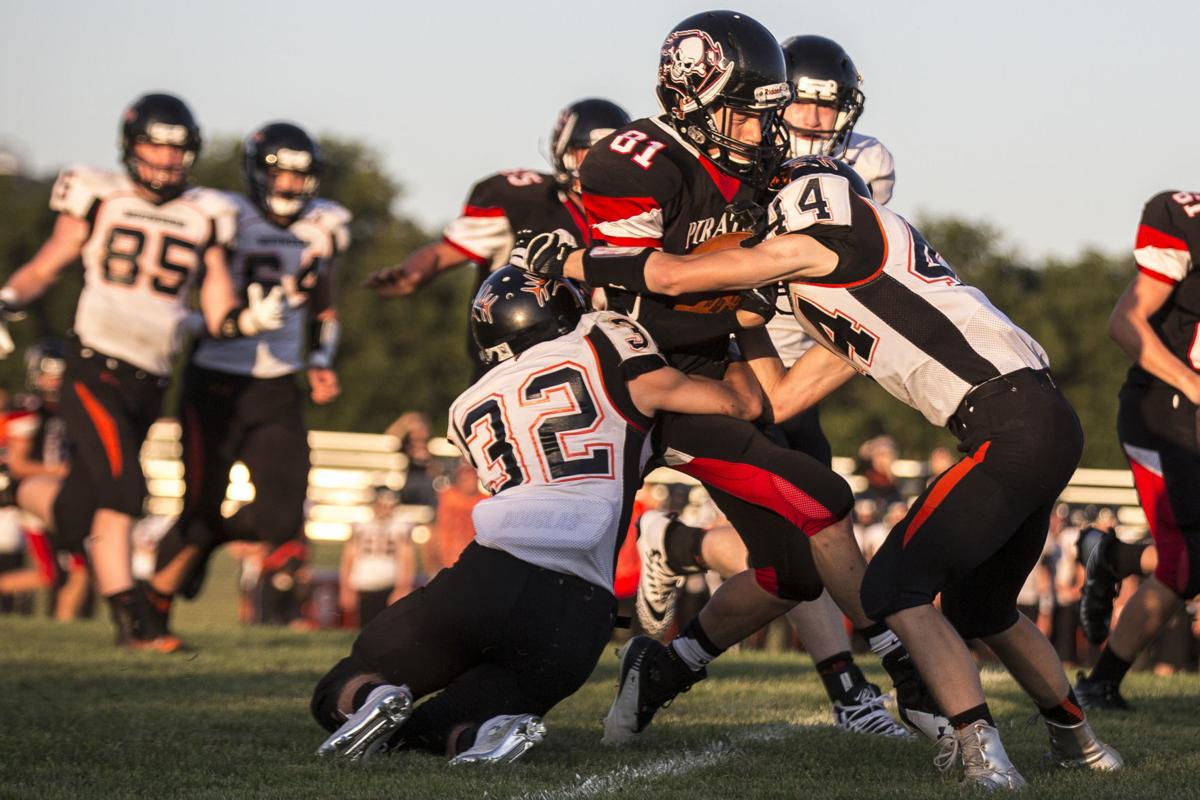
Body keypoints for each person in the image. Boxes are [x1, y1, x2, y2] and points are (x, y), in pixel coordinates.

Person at [519, 155, 1124, 788]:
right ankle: (1080, 744)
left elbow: (671, 273)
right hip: (1042, 421)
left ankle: (981, 754)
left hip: (1007, 425)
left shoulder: (834, 235)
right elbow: (776, 400)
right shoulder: (851, 286)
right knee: (984, 605)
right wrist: (739, 319)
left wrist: (569, 260)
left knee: (895, 588)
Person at [530, 10, 943, 745]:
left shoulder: (761, 169)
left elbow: (739, 304)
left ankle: (664, 667)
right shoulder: (634, 161)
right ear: (696, 99)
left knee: (792, 568)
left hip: (713, 363)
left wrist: (776, 345)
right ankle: (903, 672)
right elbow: (647, 286)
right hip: (630, 379)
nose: (768, 129)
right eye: (751, 113)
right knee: (567, 593)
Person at [310, 267, 763, 765]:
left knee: (342, 685)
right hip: (582, 612)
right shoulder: (606, 338)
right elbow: (739, 404)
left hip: (487, 576)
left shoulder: (467, 405)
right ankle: (480, 732)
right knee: (448, 720)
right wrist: (733, 340)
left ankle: (372, 698)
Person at [630, 33, 909, 737]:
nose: (816, 121)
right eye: (802, 105)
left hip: (807, 358)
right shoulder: (742, 152)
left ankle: (680, 586)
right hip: (739, 355)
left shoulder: (866, 163)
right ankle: (852, 688)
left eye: (831, 107)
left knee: (807, 543)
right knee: (806, 533)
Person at [0, 93, 285, 650]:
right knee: (125, 489)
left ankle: (16, 488)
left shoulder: (206, 211)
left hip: (152, 379)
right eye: (155, 143)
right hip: (94, 365)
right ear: (130, 145)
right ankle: (134, 622)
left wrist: (246, 318)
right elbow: (48, 264)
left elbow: (218, 303)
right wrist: (6, 297)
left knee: (83, 505)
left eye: (177, 148)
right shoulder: (99, 193)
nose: (166, 158)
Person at [147, 122, 348, 637]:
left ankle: (205, 537)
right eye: (280, 176)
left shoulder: (324, 225)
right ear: (258, 174)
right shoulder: (223, 215)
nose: (289, 188)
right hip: (216, 379)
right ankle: (154, 605)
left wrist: (322, 359)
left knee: (284, 516)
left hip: (276, 383)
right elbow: (185, 290)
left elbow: (324, 304)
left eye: (301, 178)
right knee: (197, 506)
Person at [364, 99, 630, 374]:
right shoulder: (525, 201)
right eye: (586, 153)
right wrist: (411, 275)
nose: (597, 165)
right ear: (563, 151)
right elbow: (442, 253)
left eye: (609, 154)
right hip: (513, 366)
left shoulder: (639, 213)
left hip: (600, 367)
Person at [1074, 188, 1200, 709]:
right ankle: (1101, 683)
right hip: (1167, 409)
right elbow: (1124, 322)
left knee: (1187, 562)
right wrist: (1193, 386)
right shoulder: (1184, 217)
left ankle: (1115, 556)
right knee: (1186, 562)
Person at [338, 486, 416, 627]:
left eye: (389, 506)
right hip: (363, 584)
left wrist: (403, 587)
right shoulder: (360, 526)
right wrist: (346, 588)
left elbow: (407, 558)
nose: (385, 510)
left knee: (387, 630)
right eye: (381, 505)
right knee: (364, 629)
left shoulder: (400, 527)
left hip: (389, 585)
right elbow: (349, 557)